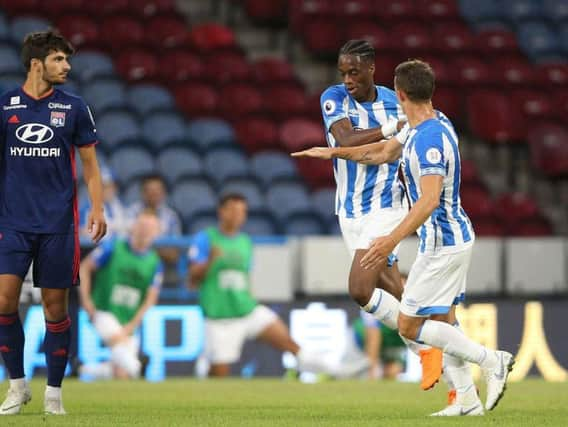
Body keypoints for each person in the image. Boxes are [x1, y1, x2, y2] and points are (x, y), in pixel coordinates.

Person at [292, 59, 514, 416]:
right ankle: (468, 401)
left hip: (444, 242)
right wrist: (333, 152)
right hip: (444, 239)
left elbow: (427, 200)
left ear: (398, 93)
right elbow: (381, 152)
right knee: (441, 322)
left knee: (411, 323)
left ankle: (492, 360)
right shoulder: (426, 124)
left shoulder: (429, 138)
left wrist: (391, 239)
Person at [300, 39, 443, 390]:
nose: (347, 79)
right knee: (393, 290)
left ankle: (429, 346)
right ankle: (440, 346)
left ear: (371, 69)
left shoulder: (397, 101)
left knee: (360, 288)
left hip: (386, 207)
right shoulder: (333, 97)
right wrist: (393, 129)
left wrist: (401, 141)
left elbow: (411, 137)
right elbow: (345, 140)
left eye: (354, 72)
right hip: (349, 212)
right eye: (343, 72)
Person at [0, 30, 107, 415]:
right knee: (3, 302)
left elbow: (91, 167)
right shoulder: (5, 105)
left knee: (54, 310)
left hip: (58, 224)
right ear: (36, 63)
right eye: (59, 59)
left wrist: (97, 208)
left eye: (67, 59)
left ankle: (54, 395)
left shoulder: (75, 107)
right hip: (11, 222)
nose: (67, 66)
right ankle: (17, 386)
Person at [188, 193, 334, 377]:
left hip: (248, 310)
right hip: (220, 317)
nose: (237, 215)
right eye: (232, 210)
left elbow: (245, 277)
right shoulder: (206, 239)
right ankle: (204, 368)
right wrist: (210, 260)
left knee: (288, 342)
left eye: (242, 211)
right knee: (219, 376)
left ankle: (329, 372)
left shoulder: (245, 242)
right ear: (221, 212)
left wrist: (251, 297)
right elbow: (192, 279)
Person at [78, 212, 163, 380]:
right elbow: (85, 267)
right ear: (133, 227)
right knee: (125, 356)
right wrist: (86, 300)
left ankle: (82, 370)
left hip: (128, 318)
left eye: (150, 228)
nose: (145, 231)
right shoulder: (114, 247)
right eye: (142, 226)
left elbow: (150, 299)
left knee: (121, 373)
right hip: (103, 310)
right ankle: (140, 369)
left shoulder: (155, 262)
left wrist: (132, 326)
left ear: (156, 233)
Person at [79, 165, 128, 241]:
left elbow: (129, 228)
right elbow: (85, 233)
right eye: (103, 186)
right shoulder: (86, 207)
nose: (107, 190)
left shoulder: (120, 205)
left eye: (110, 186)